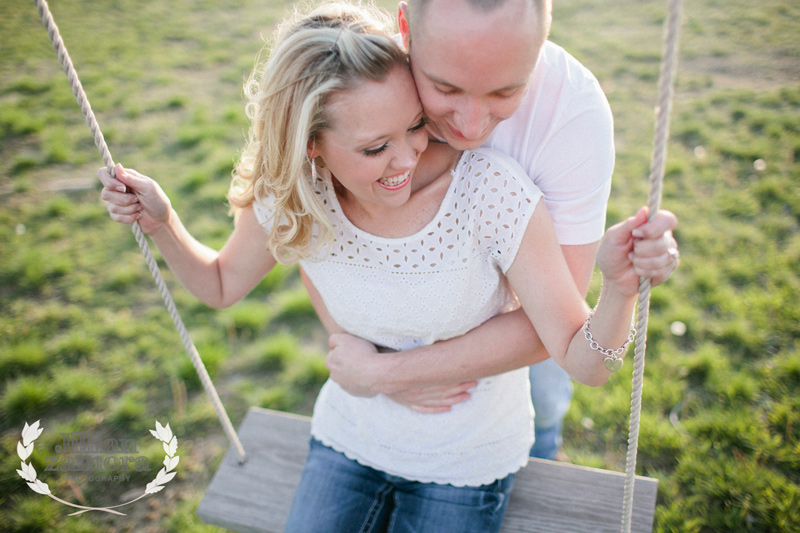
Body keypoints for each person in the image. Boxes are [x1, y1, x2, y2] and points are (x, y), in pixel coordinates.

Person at [98, 3, 679, 531]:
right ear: (311, 147)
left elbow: (579, 354)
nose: (410, 156)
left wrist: (620, 290)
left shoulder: (493, 190)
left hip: (466, 458)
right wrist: (162, 222)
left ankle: (543, 446)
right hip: (350, 436)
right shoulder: (293, 192)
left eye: (414, 128)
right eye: (376, 147)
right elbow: (221, 283)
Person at [302, 0, 651, 461]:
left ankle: (543, 450)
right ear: (404, 30)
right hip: (406, 317)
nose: (469, 126)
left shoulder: (574, 112)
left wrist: (387, 376)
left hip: (528, 313)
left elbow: (556, 326)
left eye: (506, 93)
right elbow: (315, 241)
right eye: (444, 88)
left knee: (543, 403)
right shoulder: (371, 81)